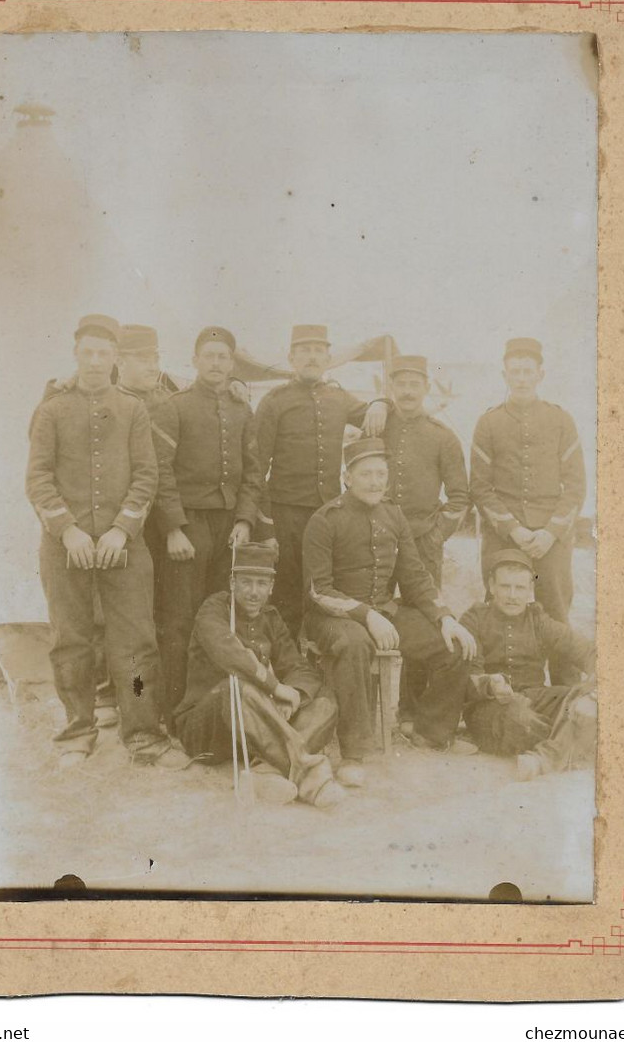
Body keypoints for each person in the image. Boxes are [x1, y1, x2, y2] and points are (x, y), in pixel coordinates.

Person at [25, 313, 184, 769]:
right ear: (76, 355)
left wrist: (121, 529)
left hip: (124, 544)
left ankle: (141, 733)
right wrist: (68, 530)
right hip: (65, 546)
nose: (95, 361)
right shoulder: (52, 409)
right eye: (87, 353)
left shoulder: (133, 409)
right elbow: (37, 477)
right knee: (70, 639)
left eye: (104, 353)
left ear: (115, 358)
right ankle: (78, 729)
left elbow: (146, 474)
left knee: (135, 642)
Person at [302, 438, 478, 786]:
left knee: (454, 645)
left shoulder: (393, 515)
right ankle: (354, 752)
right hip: (332, 617)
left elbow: (414, 577)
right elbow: (318, 590)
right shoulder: (325, 519)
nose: (375, 481)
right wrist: (366, 614)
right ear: (346, 476)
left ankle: (430, 732)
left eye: (381, 474)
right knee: (355, 645)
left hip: (383, 612)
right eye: (365, 473)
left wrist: (445, 617)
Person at [151, 326, 263, 726]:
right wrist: (173, 528)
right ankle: (172, 712)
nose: (216, 364)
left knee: (219, 619)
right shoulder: (175, 406)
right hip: (188, 525)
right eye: (209, 355)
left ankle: (212, 710)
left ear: (232, 365)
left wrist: (246, 520)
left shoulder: (241, 410)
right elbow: (160, 470)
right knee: (180, 619)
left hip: (229, 528)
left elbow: (253, 473)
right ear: (195, 360)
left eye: (223, 357)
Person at [175, 542, 343, 808]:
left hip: (257, 730)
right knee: (238, 686)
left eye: (261, 584)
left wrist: (294, 695)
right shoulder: (214, 609)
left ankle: (266, 772)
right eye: (246, 583)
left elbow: (297, 667)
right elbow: (232, 656)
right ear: (232, 582)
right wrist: (275, 688)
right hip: (207, 729)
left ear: (271, 587)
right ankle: (310, 776)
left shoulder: (271, 617)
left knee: (325, 703)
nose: (254, 592)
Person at [254, 324, 389, 640]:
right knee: (286, 594)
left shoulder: (338, 397)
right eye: (304, 351)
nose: (312, 358)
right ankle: (288, 668)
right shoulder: (275, 401)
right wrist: (266, 527)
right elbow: (255, 470)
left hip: (327, 515)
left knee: (324, 591)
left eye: (318, 351)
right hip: (285, 514)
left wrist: (382, 402)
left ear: (329, 358)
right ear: (291, 358)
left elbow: (371, 415)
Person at [469, 337, 587, 622]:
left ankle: (562, 669)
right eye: (515, 372)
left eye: (527, 371)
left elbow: (575, 486)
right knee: (498, 608)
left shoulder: (561, 421)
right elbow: (480, 487)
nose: (521, 379)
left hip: (551, 535)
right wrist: (513, 530)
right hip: (504, 535)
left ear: (540, 374)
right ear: (504, 375)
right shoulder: (488, 422)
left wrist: (550, 533)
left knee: (556, 611)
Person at [459, 549, 596, 779]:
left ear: (530, 590)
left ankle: (545, 758)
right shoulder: (474, 618)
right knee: (520, 718)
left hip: (536, 698)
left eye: (520, 588)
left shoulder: (538, 619)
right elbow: (466, 679)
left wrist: (594, 693)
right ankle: (570, 740)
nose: (512, 595)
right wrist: (489, 683)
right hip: (490, 706)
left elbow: (587, 651)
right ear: (491, 586)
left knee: (586, 700)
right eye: (505, 586)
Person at [382, 354, 469, 588]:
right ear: (391, 387)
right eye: (401, 384)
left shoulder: (443, 436)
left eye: (414, 384)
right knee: (375, 610)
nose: (407, 391)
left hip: (423, 540)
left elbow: (460, 497)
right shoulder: (377, 428)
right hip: (377, 539)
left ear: (427, 388)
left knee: (424, 614)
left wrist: (436, 536)